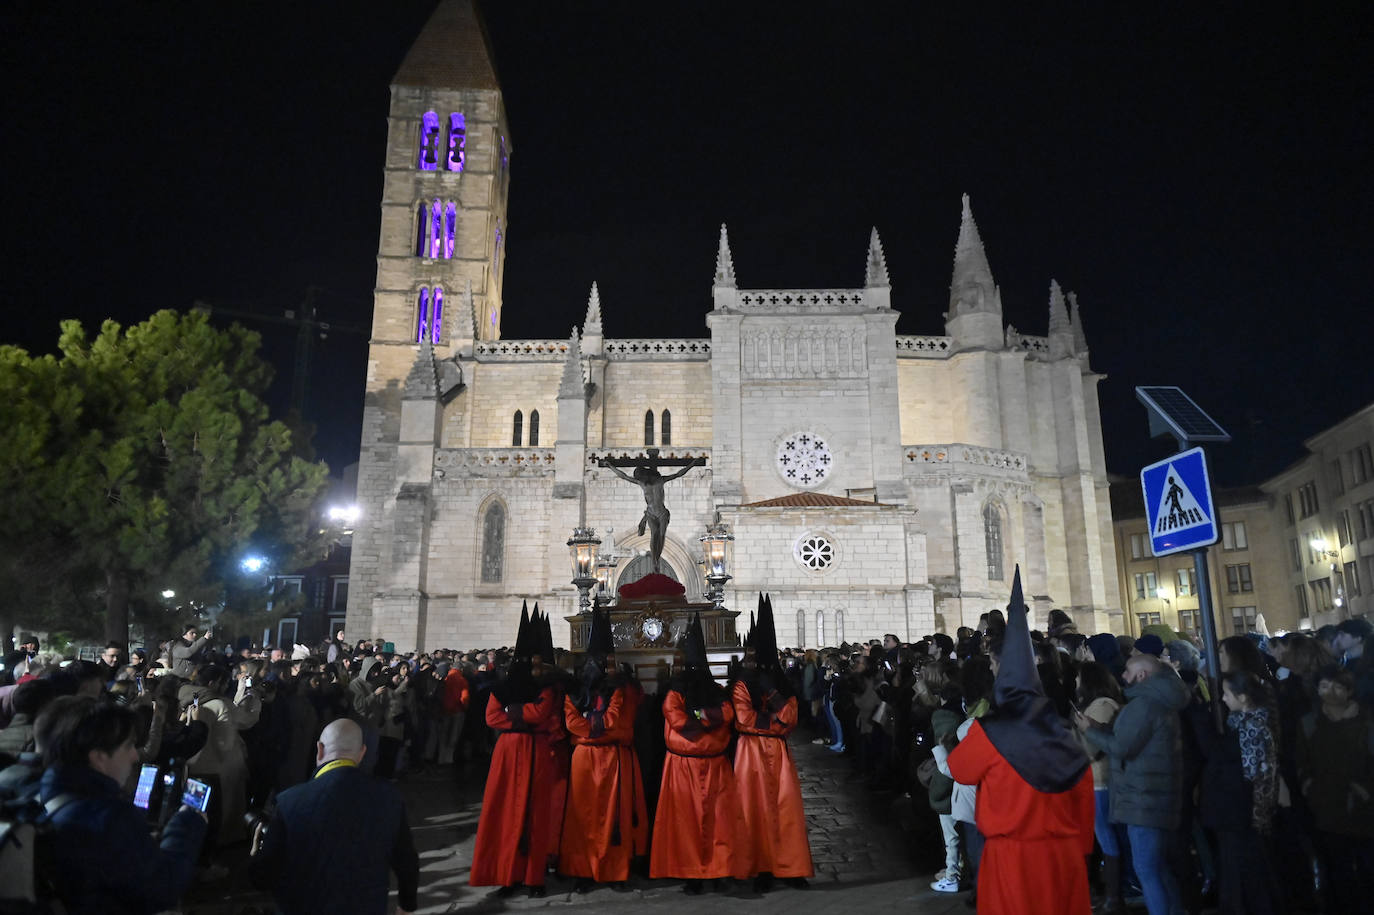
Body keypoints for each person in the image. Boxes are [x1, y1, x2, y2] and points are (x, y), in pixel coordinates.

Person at [949, 569, 1095, 915]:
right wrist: (1083, 850)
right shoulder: (1062, 729)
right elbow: (1083, 793)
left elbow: (960, 769)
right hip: (1065, 856)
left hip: (1012, 857)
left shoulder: (990, 730)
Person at [37, 696, 207, 914]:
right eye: (128, 746)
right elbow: (162, 888)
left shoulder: (47, 795)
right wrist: (187, 823)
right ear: (99, 757)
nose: (135, 756)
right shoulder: (108, 817)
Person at [250, 718, 418, 915]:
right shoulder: (389, 798)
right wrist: (406, 905)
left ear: (320, 750)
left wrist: (256, 855)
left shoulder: (289, 802)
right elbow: (407, 862)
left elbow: (263, 876)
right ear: (362, 753)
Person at [1079, 652, 1190, 915]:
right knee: (1156, 867)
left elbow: (1122, 747)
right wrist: (1100, 728)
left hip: (1144, 797)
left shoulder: (1145, 704)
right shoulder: (1156, 701)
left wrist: (1090, 731)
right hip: (1151, 794)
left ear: (1142, 675)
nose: (1123, 676)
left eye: (1128, 671)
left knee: (1147, 870)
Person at [469, 603, 562, 897]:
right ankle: (507, 875)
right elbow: (492, 717)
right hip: (509, 755)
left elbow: (542, 713)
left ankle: (534, 878)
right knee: (506, 814)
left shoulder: (546, 688)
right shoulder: (502, 688)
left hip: (535, 752)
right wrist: (525, 713)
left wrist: (515, 712)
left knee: (536, 815)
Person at [651, 611, 747, 893]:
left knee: (720, 822)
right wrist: (706, 719)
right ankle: (692, 874)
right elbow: (677, 720)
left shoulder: (715, 692)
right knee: (688, 823)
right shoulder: (675, 694)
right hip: (685, 767)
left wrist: (699, 716)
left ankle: (718, 871)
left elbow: (726, 714)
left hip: (713, 765)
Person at [732, 594, 813, 892]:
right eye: (748, 656)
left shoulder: (779, 685)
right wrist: (774, 722)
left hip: (777, 754)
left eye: (755, 657)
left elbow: (790, 716)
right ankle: (761, 866)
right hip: (750, 754)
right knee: (754, 810)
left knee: (786, 810)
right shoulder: (741, 685)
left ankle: (791, 867)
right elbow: (743, 718)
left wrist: (774, 701)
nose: (751, 662)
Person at [559, 606, 644, 890]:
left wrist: (590, 723)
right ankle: (584, 870)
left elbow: (613, 718)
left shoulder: (618, 690)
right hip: (585, 760)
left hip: (611, 760)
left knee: (613, 816)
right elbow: (573, 722)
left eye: (611, 661)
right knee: (583, 815)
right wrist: (595, 725)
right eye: (603, 662)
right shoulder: (574, 692)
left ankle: (614, 870)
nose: (608, 667)